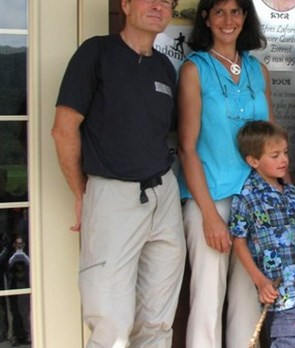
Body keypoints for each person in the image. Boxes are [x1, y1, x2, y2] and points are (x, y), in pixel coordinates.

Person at [51, 0, 186, 346]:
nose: (159, 6)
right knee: (111, 321)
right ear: (125, 5)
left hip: (164, 195)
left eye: (167, 1)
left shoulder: (165, 68)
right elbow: (64, 129)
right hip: (113, 196)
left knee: (157, 320)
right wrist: (82, 193)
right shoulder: (96, 54)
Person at [175, 0, 274, 346]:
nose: (228, 20)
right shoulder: (194, 69)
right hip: (211, 198)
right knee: (207, 297)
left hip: (255, 201)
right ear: (206, 18)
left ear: (246, 17)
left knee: (249, 295)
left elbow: (270, 140)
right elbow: (187, 148)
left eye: (236, 11)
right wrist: (208, 215)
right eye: (219, 12)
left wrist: (279, 196)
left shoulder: (257, 70)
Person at [229, 121, 295, 347]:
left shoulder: (291, 193)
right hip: (284, 296)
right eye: (275, 155)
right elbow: (238, 242)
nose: (284, 160)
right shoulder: (247, 197)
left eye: (286, 153)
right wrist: (260, 281)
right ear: (253, 161)